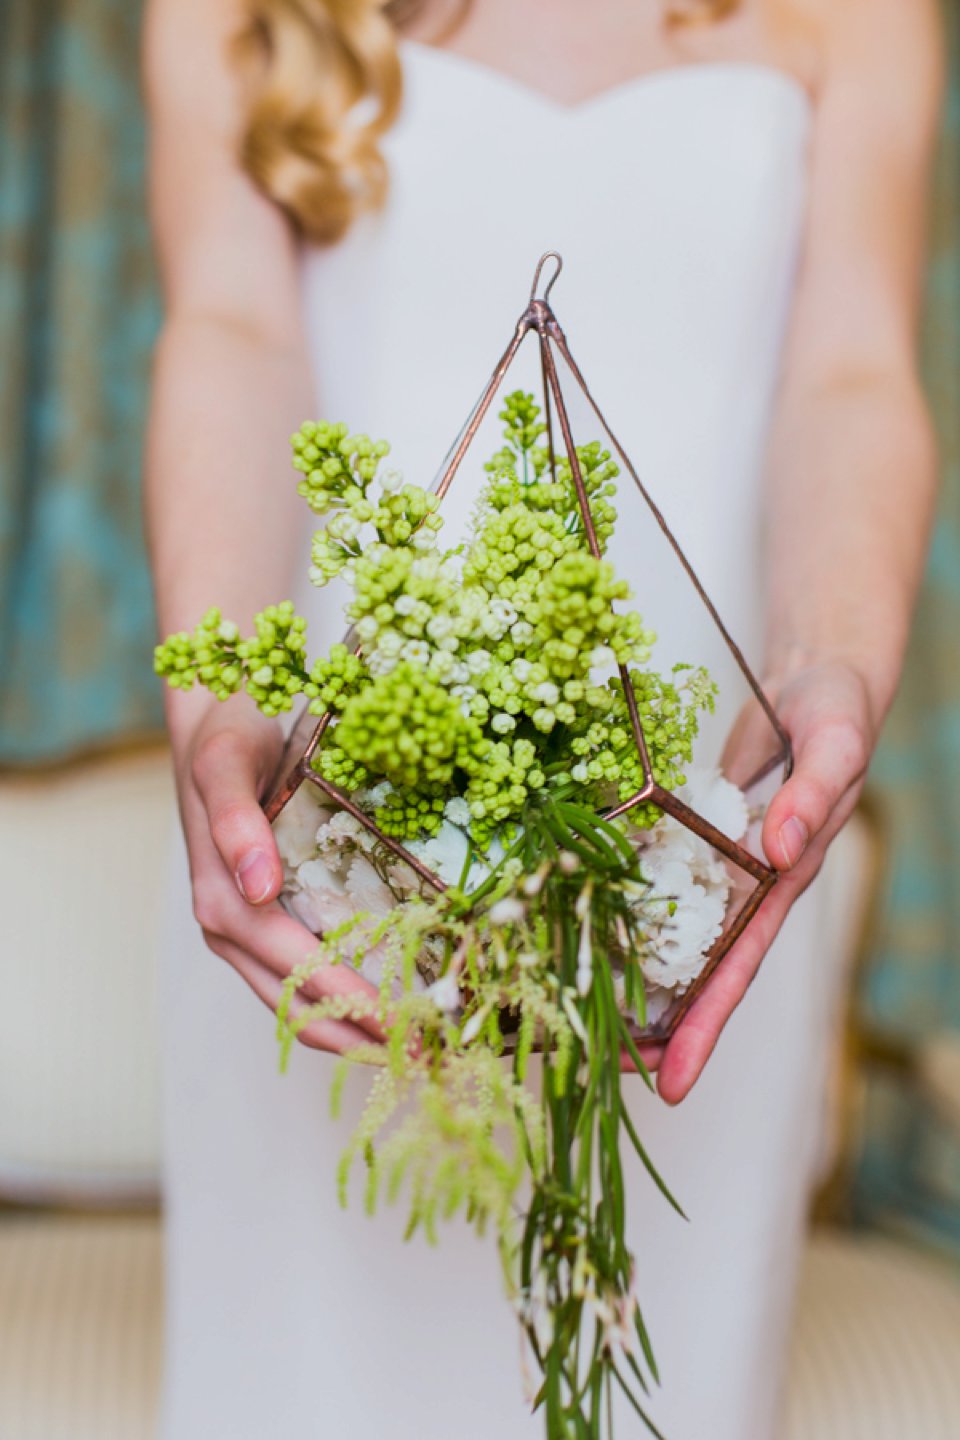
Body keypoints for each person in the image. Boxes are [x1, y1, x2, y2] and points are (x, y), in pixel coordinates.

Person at [144, 1, 942, 1435]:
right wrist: (223, 711)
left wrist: (837, 663)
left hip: (689, 862)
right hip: (332, 863)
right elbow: (232, 329)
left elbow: (852, 371)